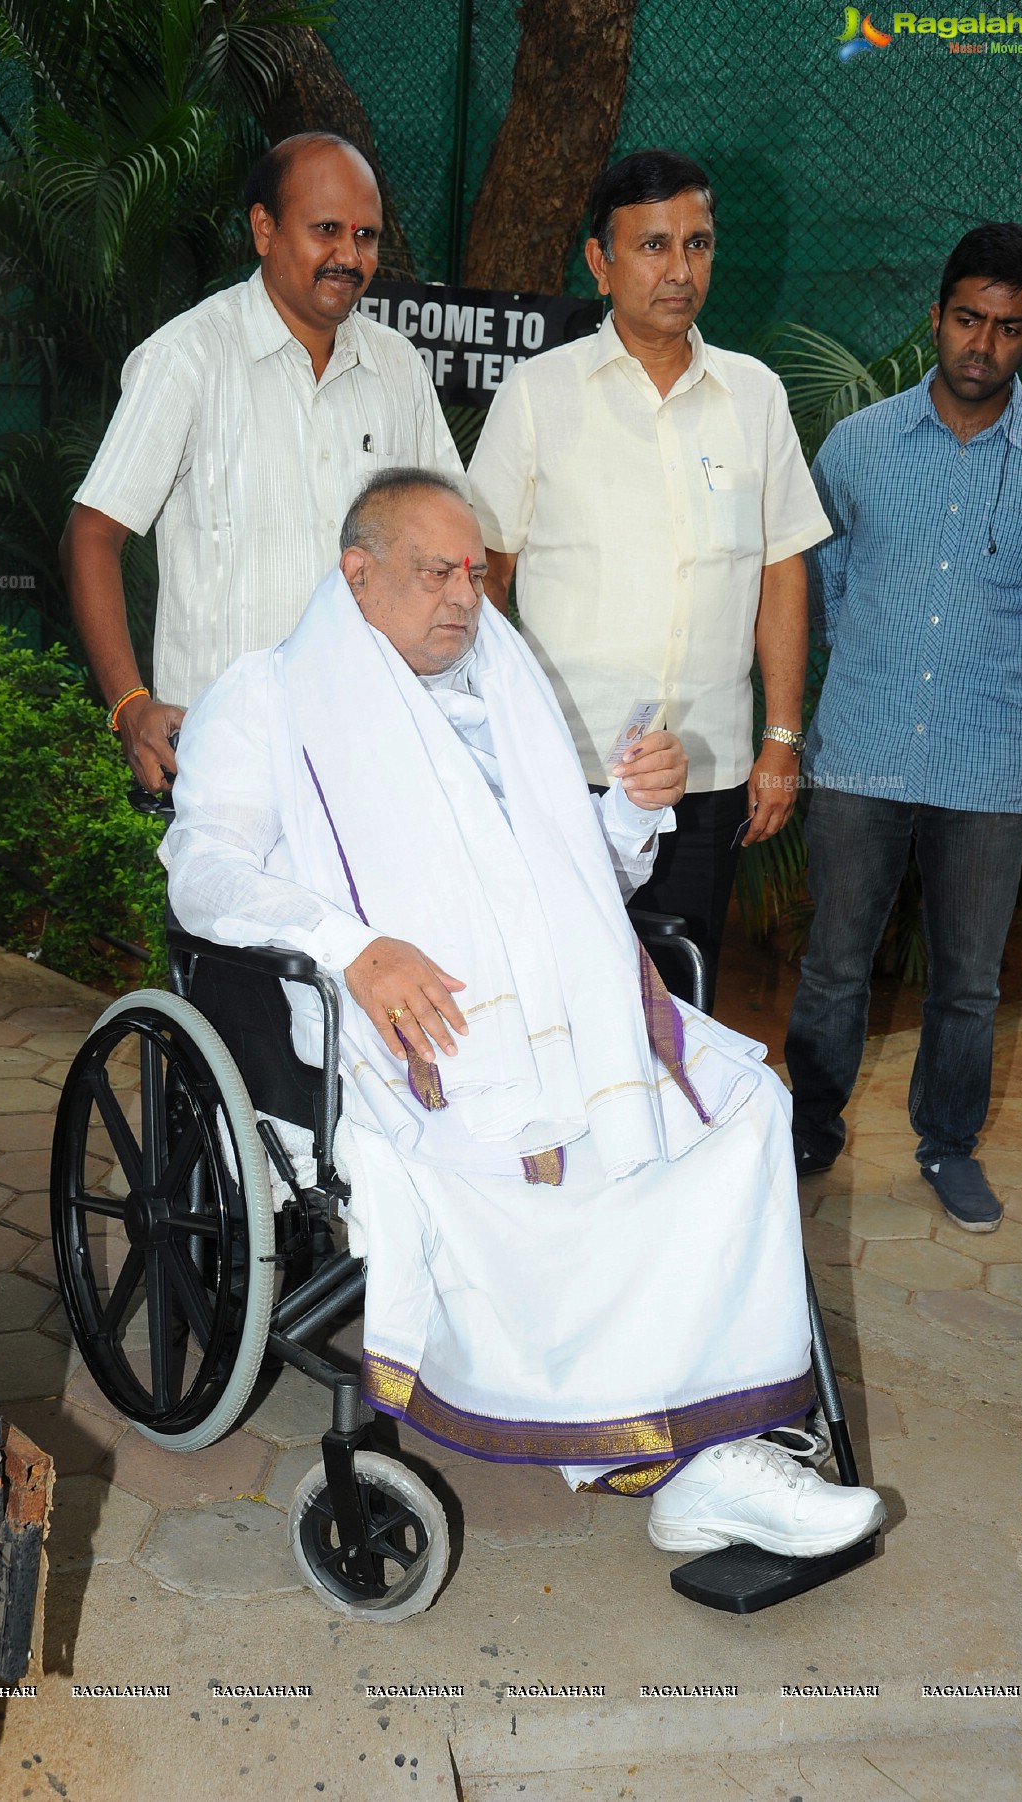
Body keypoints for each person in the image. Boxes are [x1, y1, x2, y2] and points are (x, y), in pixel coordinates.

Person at [162, 467, 885, 1558]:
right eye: (432, 571)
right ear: (356, 573)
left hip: (570, 1013)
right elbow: (201, 871)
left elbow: (564, 879)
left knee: (737, 1116)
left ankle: (724, 1445)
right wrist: (353, 946)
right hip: (411, 1039)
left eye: (474, 570)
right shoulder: (266, 696)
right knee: (568, 1164)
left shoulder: (502, 682)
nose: (461, 594)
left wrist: (632, 811)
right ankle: (677, 1458)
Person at [467, 149, 830, 1010]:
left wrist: (779, 741)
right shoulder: (537, 395)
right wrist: (495, 732)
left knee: (679, 1000)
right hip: (567, 767)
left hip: (706, 773)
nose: (680, 270)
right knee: (557, 997)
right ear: (600, 262)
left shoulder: (754, 396)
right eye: (654, 246)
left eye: (698, 245)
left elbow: (781, 567)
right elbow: (484, 577)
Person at [784, 223, 1022, 1233]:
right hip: (860, 754)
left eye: (1006, 328)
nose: (979, 345)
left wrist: (1020, 728)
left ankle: (945, 1142)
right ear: (936, 311)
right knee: (832, 960)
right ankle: (807, 1127)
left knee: (966, 984)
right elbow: (813, 597)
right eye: (965, 318)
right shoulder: (855, 447)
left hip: (986, 775)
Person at [60, 132, 466, 793]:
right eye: (326, 230)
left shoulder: (398, 369)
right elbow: (91, 534)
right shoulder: (187, 361)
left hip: (373, 759)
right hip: (229, 763)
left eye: (366, 235)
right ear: (264, 229)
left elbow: (447, 544)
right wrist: (130, 705)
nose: (349, 256)